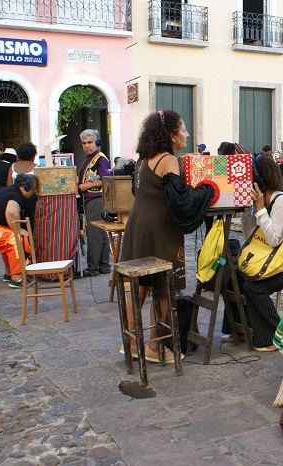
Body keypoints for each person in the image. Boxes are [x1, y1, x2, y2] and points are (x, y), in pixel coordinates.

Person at [120, 109, 217, 363]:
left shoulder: (143, 159)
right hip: (159, 229)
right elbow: (181, 199)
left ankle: (130, 343)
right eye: (183, 129)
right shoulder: (168, 160)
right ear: (172, 136)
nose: (186, 134)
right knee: (164, 288)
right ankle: (154, 346)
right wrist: (207, 190)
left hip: (138, 225)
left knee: (140, 288)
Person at [226, 156, 283, 351]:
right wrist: (252, 209)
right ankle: (241, 329)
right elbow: (251, 235)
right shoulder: (260, 200)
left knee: (254, 288)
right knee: (233, 278)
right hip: (265, 259)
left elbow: (274, 239)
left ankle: (277, 335)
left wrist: (261, 210)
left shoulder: (281, 201)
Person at [77, 129, 112, 277]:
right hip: (91, 200)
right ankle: (103, 266)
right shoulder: (89, 158)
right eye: (84, 143)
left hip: (96, 200)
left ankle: (93, 268)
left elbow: (106, 179)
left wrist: (87, 186)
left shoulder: (100, 158)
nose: (86, 146)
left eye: (89, 142)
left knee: (94, 235)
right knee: (101, 234)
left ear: (97, 143)